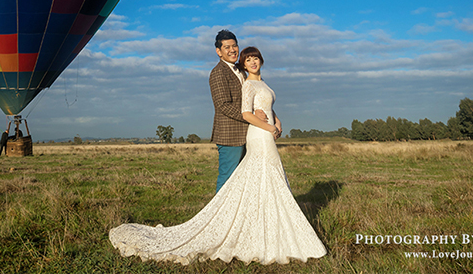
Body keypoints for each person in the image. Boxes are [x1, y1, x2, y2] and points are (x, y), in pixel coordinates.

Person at [109, 46, 327, 265]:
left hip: (266, 133)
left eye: (255, 58)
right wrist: (269, 127)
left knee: (266, 177)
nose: (253, 62)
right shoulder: (248, 84)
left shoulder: (262, 83)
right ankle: (229, 221)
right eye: (248, 60)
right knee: (261, 173)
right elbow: (245, 113)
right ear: (242, 63)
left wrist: (277, 121)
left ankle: (262, 224)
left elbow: (267, 107)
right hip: (259, 135)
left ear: (261, 60)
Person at [208, 29, 261, 191]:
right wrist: (251, 117)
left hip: (248, 134)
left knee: (245, 178)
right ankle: (219, 208)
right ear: (219, 51)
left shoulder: (242, 70)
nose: (232, 50)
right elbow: (223, 105)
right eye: (227, 47)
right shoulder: (218, 73)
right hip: (230, 136)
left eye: (234, 46)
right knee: (228, 177)